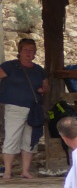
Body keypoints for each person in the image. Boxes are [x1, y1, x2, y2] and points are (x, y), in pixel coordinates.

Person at [0, 38, 50, 180]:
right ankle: (8, 172)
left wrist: (43, 89)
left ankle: (25, 171)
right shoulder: (9, 66)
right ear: (20, 52)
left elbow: (46, 86)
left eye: (32, 50)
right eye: (26, 50)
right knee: (12, 138)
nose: (29, 53)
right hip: (14, 108)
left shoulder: (38, 70)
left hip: (33, 109)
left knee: (30, 140)